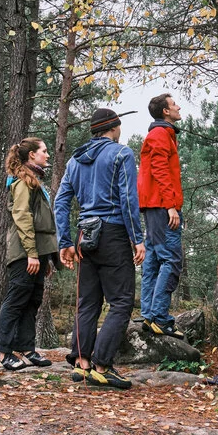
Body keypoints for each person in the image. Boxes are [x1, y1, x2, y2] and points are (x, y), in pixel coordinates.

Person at [54, 108, 145, 390]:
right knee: (120, 302)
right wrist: (137, 238)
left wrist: (66, 242)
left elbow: (60, 202)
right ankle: (102, 366)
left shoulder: (75, 160)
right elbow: (129, 199)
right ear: (114, 128)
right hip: (113, 233)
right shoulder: (122, 153)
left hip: (85, 236)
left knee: (88, 302)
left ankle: (82, 365)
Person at [0, 137, 60, 371]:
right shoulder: (22, 181)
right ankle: (4, 352)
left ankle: (27, 349)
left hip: (37, 253)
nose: (48, 154)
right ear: (32, 155)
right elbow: (22, 216)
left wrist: (46, 257)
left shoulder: (36, 181)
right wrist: (32, 253)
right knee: (16, 300)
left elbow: (43, 221)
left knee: (33, 301)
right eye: (44, 150)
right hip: (24, 253)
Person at [137, 94, 186, 340]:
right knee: (171, 260)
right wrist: (170, 205)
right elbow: (159, 170)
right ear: (165, 111)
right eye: (174, 104)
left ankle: (149, 315)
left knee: (155, 258)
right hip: (161, 206)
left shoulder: (161, 134)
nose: (178, 106)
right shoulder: (159, 135)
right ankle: (159, 317)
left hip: (154, 205)